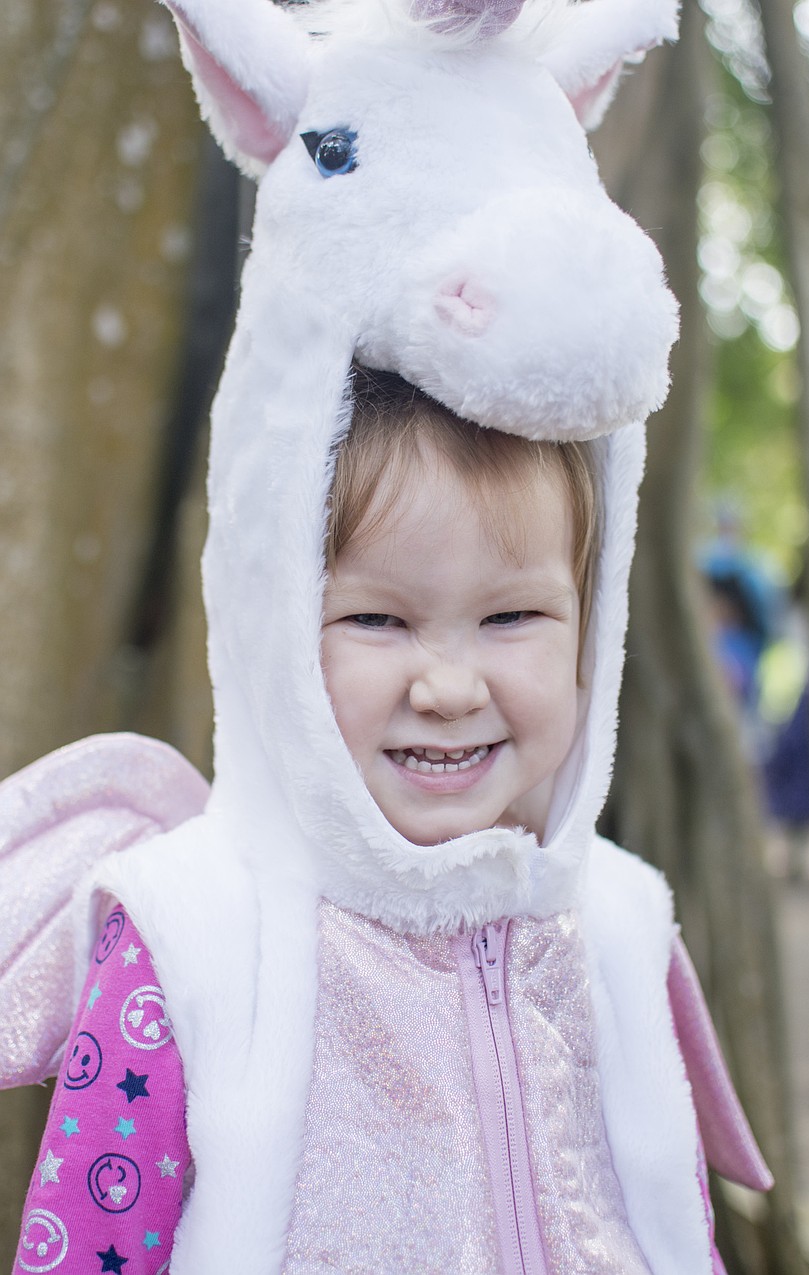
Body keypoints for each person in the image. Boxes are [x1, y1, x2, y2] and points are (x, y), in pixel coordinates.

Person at [14, 371, 770, 1274]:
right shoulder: (194, 936)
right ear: (278, 630)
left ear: (590, 632)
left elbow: (675, 1224)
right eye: (376, 617)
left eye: (513, 615)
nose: (449, 688)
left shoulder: (618, 922)